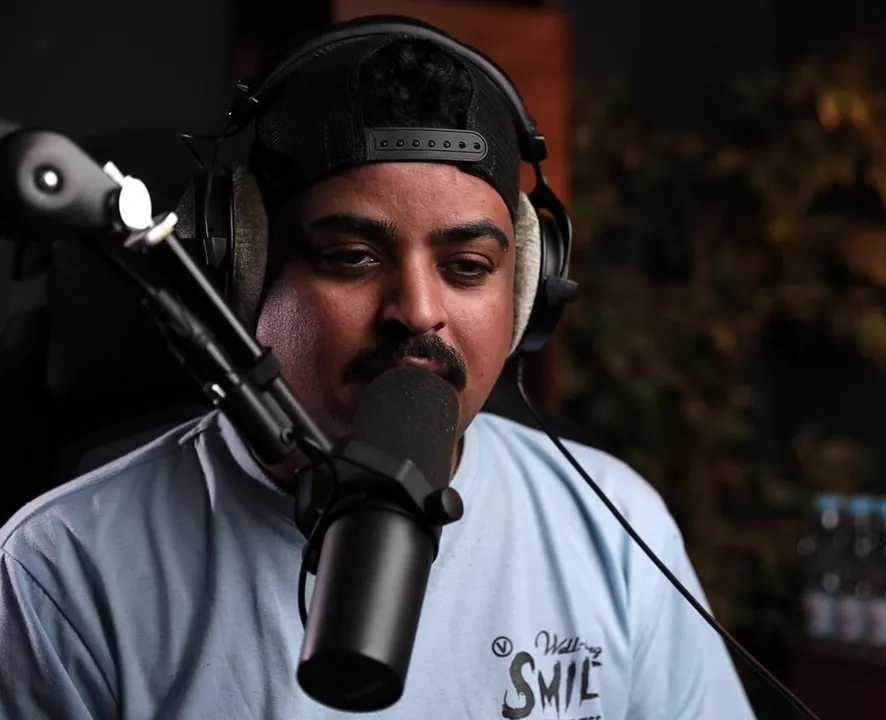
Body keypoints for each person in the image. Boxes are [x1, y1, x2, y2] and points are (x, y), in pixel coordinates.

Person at [0, 20, 756, 720]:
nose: (418, 311)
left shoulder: (616, 528)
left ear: (528, 289)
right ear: (245, 274)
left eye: (467, 267)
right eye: (353, 258)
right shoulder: (61, 572)